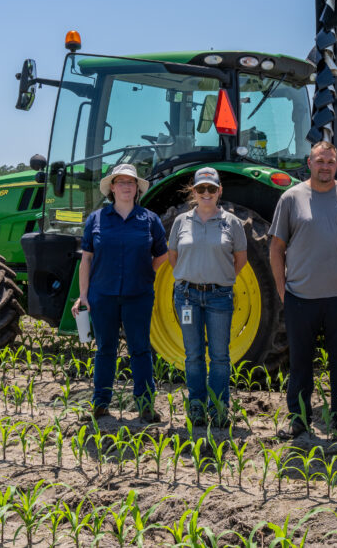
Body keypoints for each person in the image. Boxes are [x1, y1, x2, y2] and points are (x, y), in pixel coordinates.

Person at [269, 141, 337, 442]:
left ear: (336, 164)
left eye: (330, 161)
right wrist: (282, 288)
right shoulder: (291, 198)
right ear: (309, 162)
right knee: (301, 362)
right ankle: (298, 419)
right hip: (301, 298)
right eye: (319, 160)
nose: (325, 166)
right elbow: (276, 247)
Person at [72, 164, 168, 423]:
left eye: (131, 182)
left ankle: (146, 406)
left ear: (137, 189)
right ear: (112, 188)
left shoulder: (149, 219)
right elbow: (87, 260)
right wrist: (83, 295)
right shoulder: (97, 219)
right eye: (121, 182)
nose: (126, 186)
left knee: (140, 349)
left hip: (138, 294)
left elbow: (163, 253)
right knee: (105, 349)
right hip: (103, 295)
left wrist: (148, 272)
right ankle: (100, 404)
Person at [167, 167, 247, 424]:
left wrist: (219, 278)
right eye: (201, 188)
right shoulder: (181, 221)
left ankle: (219, 407)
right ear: (194, 191)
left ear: (219, 191)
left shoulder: (232, 222)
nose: (206, 193)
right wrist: (193, 275)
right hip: (187, 296)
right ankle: (197, 406)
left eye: (211, 188)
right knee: (193, 355)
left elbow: (241, 259)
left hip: (219, 297)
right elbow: (173, 257)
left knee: (220, 356)